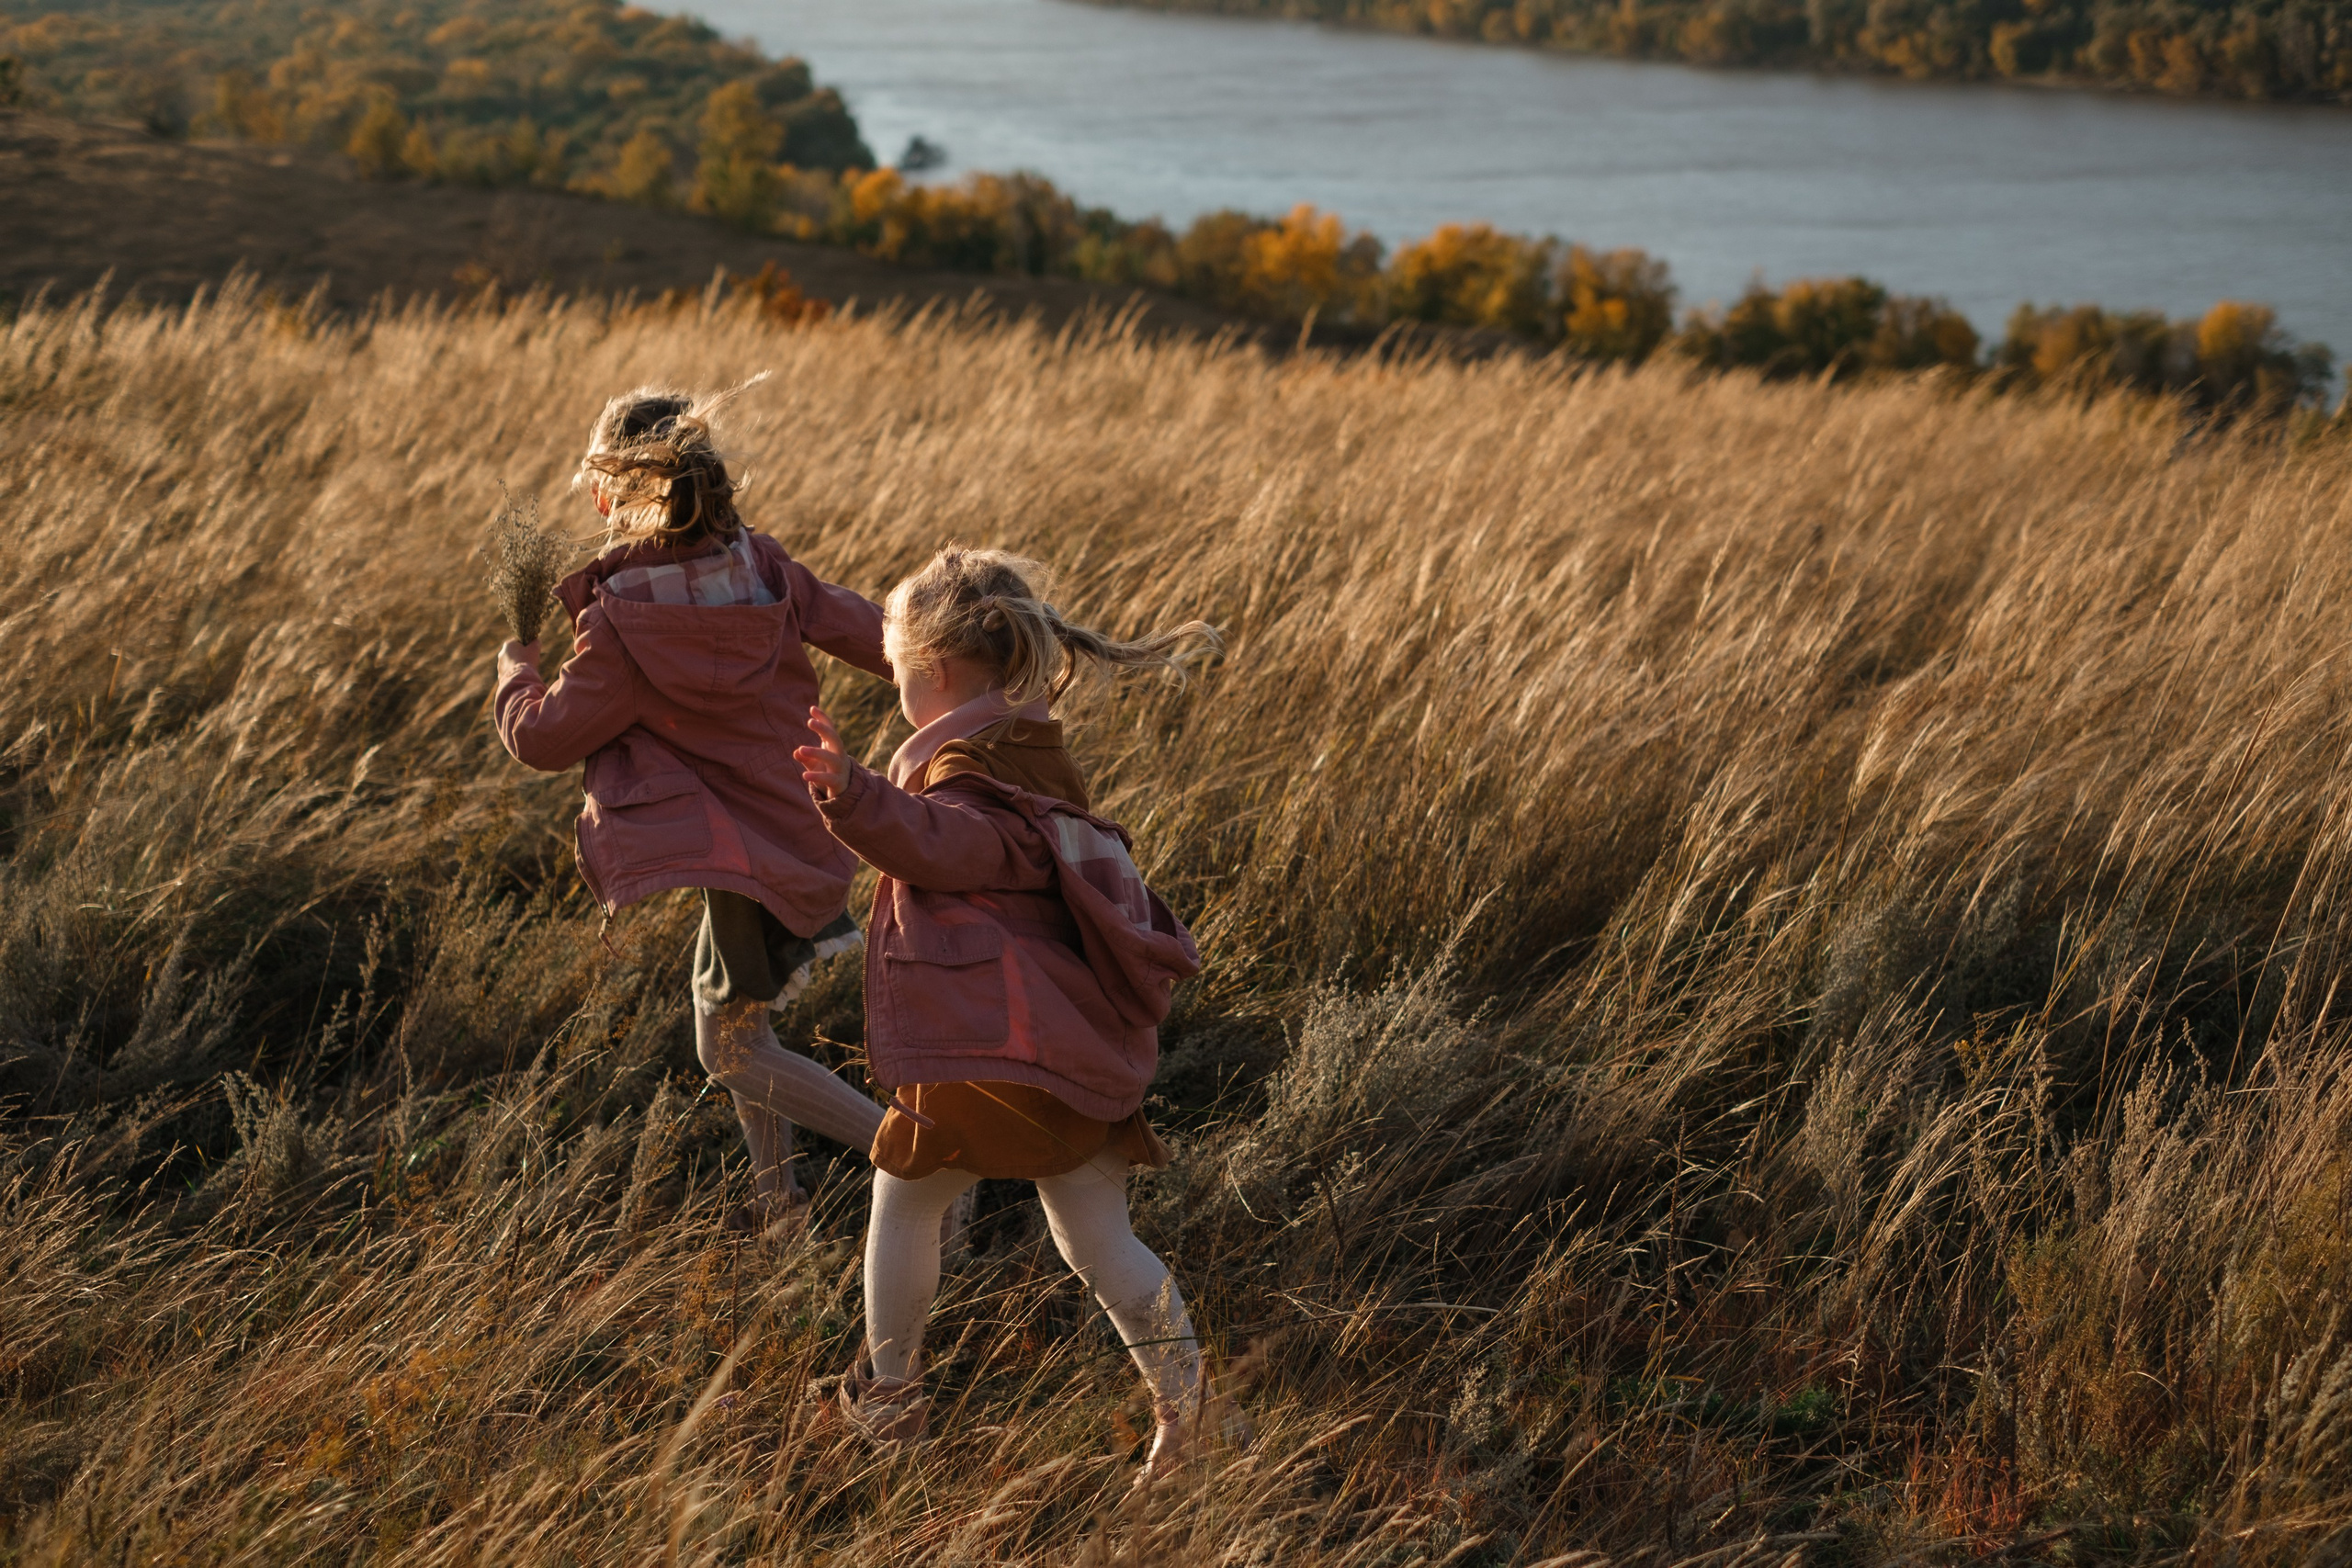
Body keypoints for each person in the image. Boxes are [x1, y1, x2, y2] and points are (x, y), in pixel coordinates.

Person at [794, 545, 1217, 1481]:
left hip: (993, 1045)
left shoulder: (959, 766)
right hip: (1077, 1039)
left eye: (899, 672)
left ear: (934, 672)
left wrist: (852, 793)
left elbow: (951, 846)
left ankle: (893, 1398)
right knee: (1099, 1240)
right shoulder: (1037, 751)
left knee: (902, 1198)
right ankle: (1188, 1418)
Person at [492, 379, 890, 1235]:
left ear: (611, 493)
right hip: (795, 829)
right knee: (744, 1027)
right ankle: (778, 1204)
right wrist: (971, 667)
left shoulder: (620, 621)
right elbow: (876, 636)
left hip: (740, 852)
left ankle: (911, 1152)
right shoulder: (763, 565)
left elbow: (543, 740)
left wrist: (514, 669)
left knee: (729, 1050)